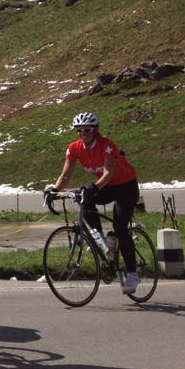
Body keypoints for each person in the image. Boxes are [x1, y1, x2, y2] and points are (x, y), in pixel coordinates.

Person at [45, 112, 141, 294]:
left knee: (120, 227)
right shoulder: (74, 148)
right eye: (79, 130)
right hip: (106, 186)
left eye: (87, 130)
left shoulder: (107, 146)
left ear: (95, 130)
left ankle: (132, 273)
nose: (83, 133)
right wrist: (54, 191)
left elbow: (108, 173)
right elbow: (66, 175)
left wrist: (94, 188)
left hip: (125, 186)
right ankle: (103, 243)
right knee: (85, 201)